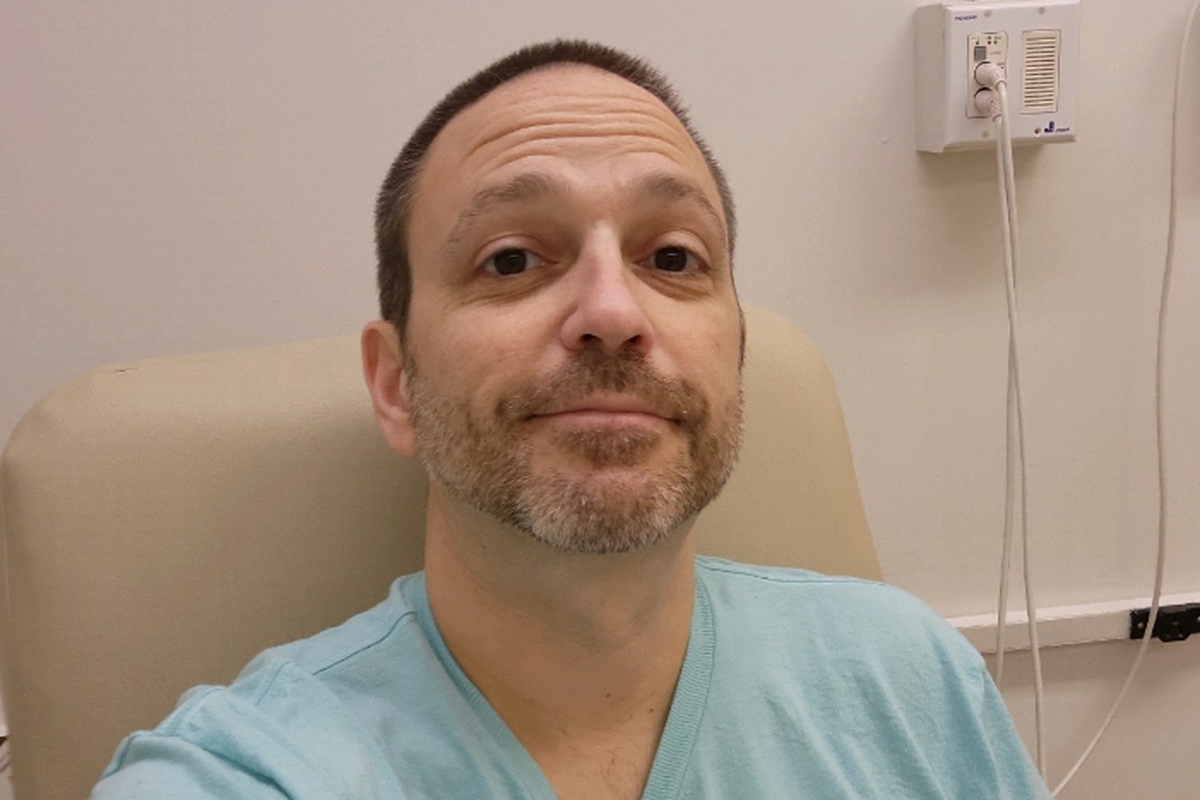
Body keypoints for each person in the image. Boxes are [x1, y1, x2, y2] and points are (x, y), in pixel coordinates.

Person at [91, 40, 1052, 799]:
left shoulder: (908, 683)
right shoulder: (247, 774)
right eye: (511, 259)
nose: (613, 312)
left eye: (672, 258)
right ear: (394, 385)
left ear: (736, 360)